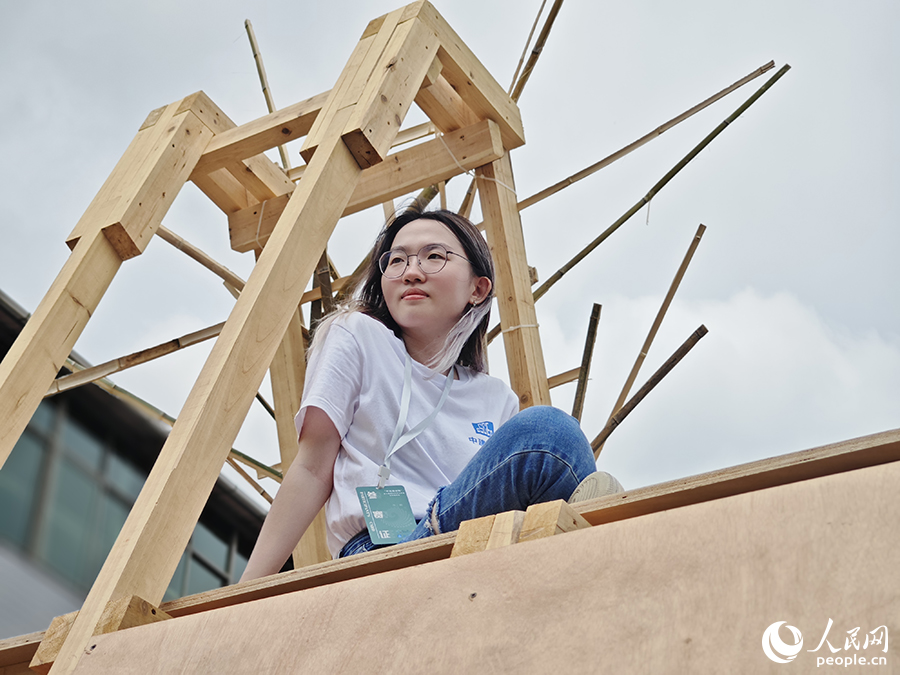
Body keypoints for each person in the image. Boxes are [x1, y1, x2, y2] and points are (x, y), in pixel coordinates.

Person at [240, 209, 622, 581]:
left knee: (551, 454)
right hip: (383, 553)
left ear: (478, 288)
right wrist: (246, 594)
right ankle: (600, 548)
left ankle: (583, 556)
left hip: (479, 553)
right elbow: (310, 467)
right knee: (549, 436)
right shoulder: (356, 336)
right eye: (396, 261)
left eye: (434, 256)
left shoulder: (494, 397)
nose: (411, 272)